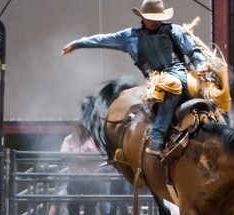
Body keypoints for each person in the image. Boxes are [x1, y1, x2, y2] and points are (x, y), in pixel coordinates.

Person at [61, 0, 206, 156]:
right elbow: (102, 39)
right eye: (152, 18)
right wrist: (77, 44)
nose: (156, 21)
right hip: (157, 80)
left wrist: (201, 66)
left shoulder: (174, 30)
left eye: (158, 18)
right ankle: (157, 137)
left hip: (180, 72)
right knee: (173, 87)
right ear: (143, 18)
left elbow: (194, 52)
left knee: (211, 93)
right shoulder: (129, 37)